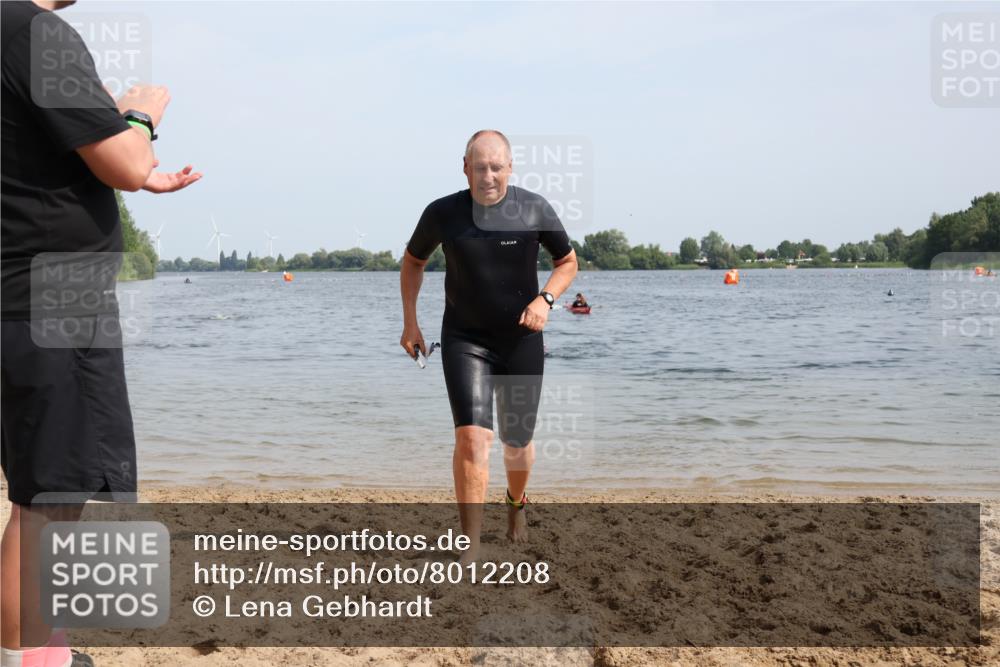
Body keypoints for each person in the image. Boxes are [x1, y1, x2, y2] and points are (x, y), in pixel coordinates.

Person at [1, 2, 201, 665]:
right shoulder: (36, 31)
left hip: (19, 296)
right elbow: (123, 162)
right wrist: (139, 116)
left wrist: (128, 152)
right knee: (49, 499)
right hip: (52, 298)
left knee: (43, 487)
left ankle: (42, 650)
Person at [400, 130, 578, 563]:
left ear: (510, 167)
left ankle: (516, 505)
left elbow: (567, 262)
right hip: (465, 339)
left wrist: (546, 299)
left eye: (496, 167)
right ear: (465, 168)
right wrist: (411, 322)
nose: (488, 176)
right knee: (472, 440)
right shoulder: (443, 213)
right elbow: (413, 262)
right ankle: (472, 544)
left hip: (521, 340)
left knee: (516, 443)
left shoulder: (533, 207)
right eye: (479, 167)